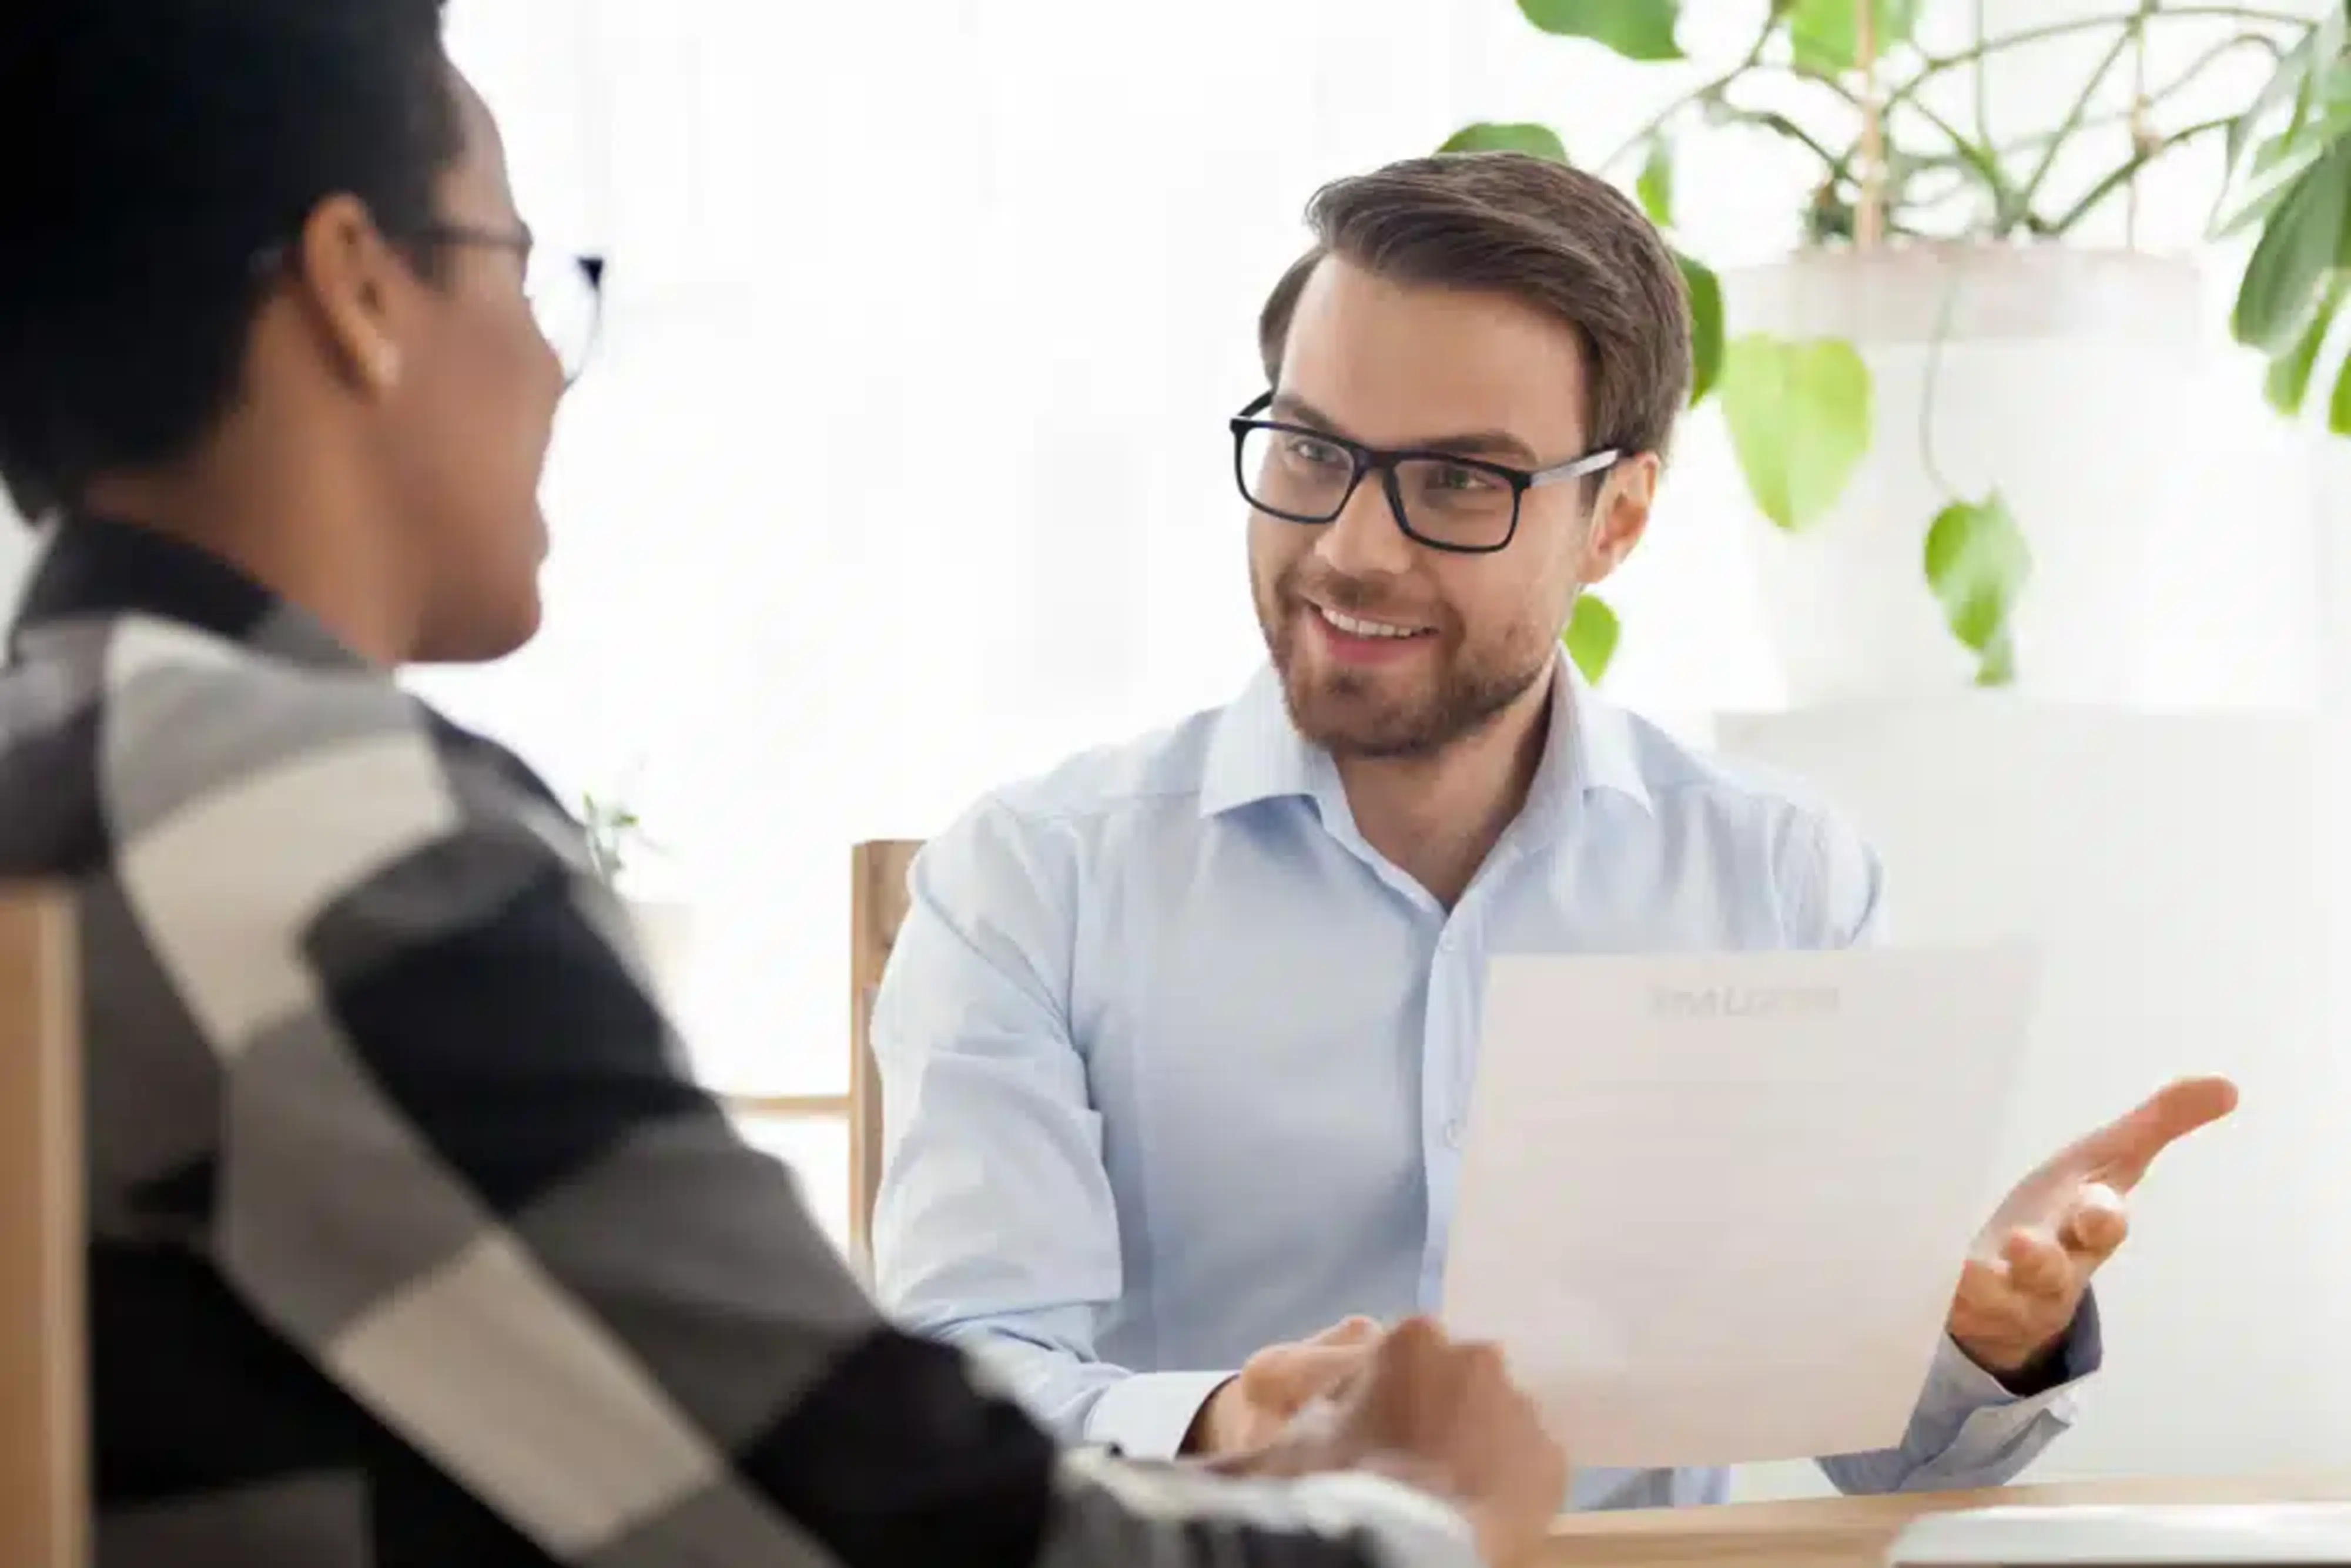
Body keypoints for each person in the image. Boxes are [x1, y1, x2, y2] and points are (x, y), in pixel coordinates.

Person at [0, 4, 1573, 1565]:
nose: (554, 366)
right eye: (522, 267)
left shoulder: (72, 766)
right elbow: (882, 1526)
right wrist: (1422, 1512)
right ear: (358, 290)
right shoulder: (310, 830)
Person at [870, 150, 2241, 1505]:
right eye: (1307, 450)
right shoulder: (1031, 882)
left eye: (1460, 482)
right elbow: (953, 1393)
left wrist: (1976, 1343)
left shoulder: (1773, 878)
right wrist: (1214, 1419)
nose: (1353, 545)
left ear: (1616, 520)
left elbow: (1882, 1446)